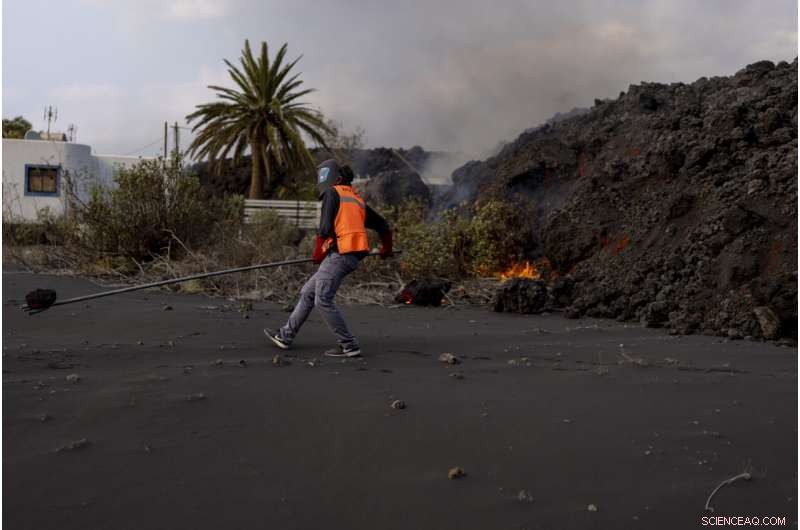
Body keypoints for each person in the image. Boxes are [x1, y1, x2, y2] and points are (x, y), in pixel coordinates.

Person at [264, 159, 393, 357]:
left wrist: (317, 253)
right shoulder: (357, 201)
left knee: (322, 299)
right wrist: (386, 249)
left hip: (341, 255)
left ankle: (349, 345)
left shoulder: (333, 193)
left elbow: (324, 229)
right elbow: (383, 226)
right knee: (309, 292)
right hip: (350, 256)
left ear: (336, 178)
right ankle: (285, 335)